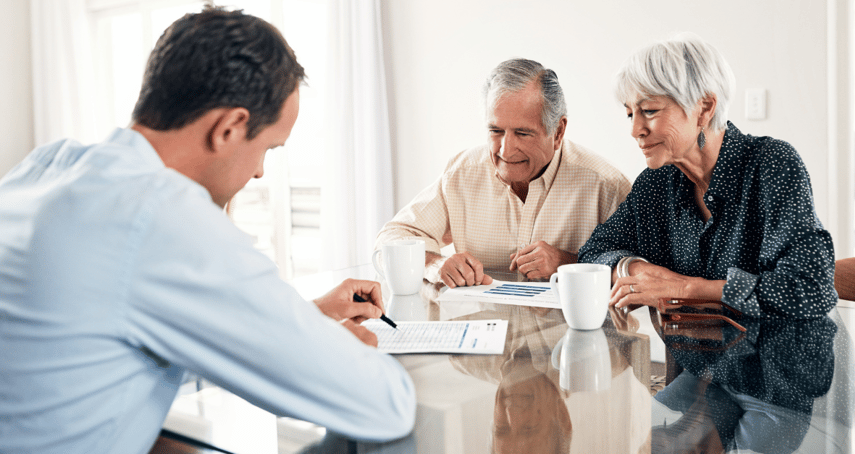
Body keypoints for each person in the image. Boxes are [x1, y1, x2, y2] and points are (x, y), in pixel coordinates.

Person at [0, 7, 414, 453]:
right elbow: (383, 403)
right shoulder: (161, 214)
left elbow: (133, 331)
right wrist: (334, 352)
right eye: (268, 149)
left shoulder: (48, 166)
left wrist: (304, 319)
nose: (258, 173)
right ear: (230, 128)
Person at [577, 33, 838, 318]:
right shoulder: (656, 182)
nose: (635, 129)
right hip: (693, 359)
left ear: (704, 108)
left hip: (771, 359)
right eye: (630, 114)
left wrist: (688, 289)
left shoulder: (772, 164)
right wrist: (641, 271)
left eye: (649, 110)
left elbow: (812, 289)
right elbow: (594, 252)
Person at [375, 58, 631, 288]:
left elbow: (640, 270)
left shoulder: (605, 186)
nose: (505, 150)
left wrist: (569, 263)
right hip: (485, 335)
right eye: (495, 131)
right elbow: (390, 240)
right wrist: (436, 264)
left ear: (559, 132)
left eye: (522, 133)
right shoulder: (462, 173)